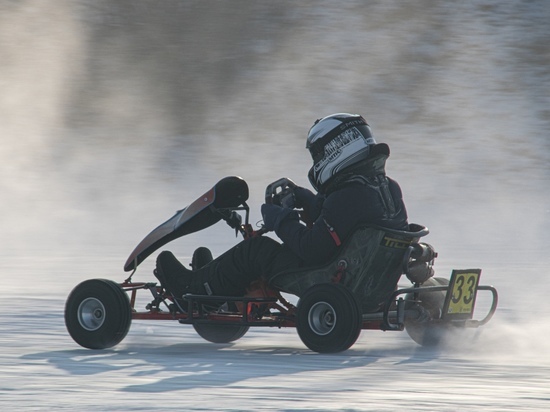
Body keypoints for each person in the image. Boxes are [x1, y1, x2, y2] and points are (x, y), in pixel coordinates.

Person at [154, 113, 408, 300]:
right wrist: (307, 199)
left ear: (336, 150)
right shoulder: (385, 187)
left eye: (318, 155)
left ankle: (196, 289)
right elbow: (345, 225)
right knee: (260, 250)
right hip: (369, 280)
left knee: (255, 250)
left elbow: (312, 249)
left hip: (328, 276)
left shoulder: (348, 196)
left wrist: (280, 219)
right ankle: (215, 279)